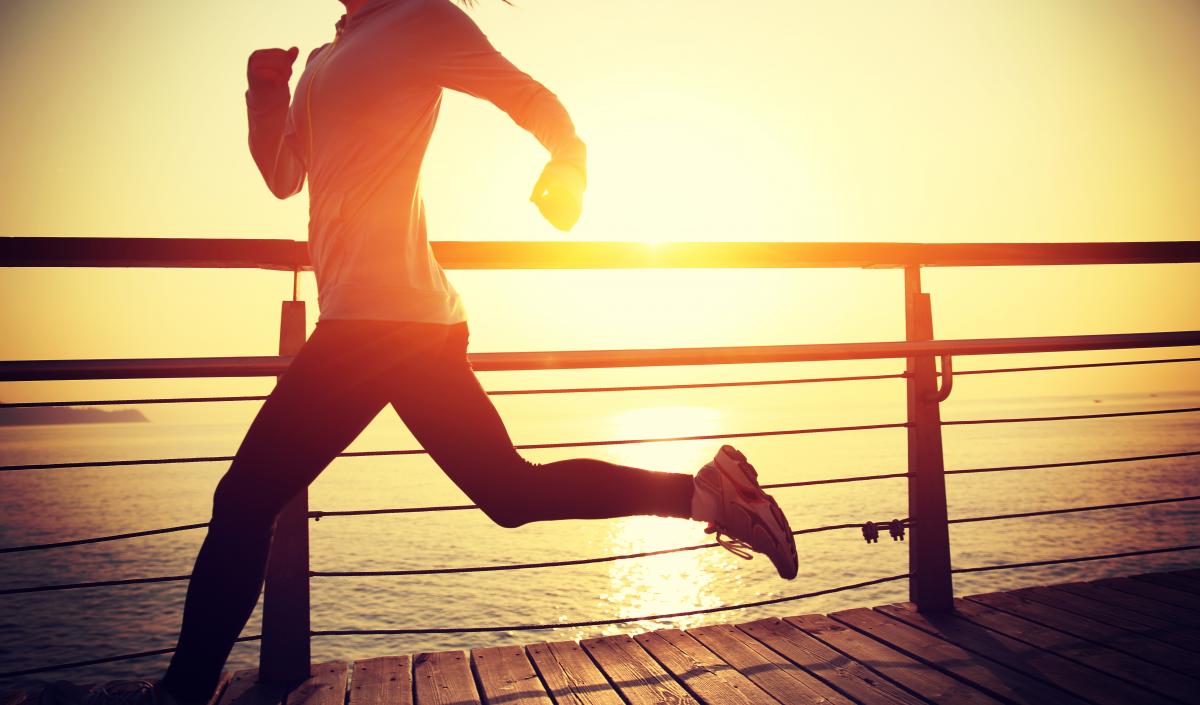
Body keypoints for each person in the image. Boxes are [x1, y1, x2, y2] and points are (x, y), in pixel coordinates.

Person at [42, 1, 797, 704]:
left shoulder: (422, 20)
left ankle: (180, 693)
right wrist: (264, 91)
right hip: (401, 322)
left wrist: (568, 165)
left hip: (379, 323)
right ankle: (708, 493)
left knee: (242, 500)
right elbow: (283, 176)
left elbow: (528, 97)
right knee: (509, 493)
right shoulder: (325, 59)